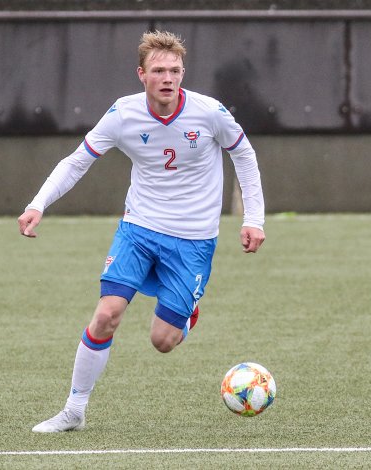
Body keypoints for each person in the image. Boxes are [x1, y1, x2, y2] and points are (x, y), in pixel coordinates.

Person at [18, 30, 265, 433]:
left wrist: (254, 217)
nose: (168, 78)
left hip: (193, 240)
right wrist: (37, 203)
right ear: (142, 74)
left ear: (183, 73)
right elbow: (77, 161)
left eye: (175, 70)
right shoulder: (122, 114)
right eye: (159, 71)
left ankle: (187, 314)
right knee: (107, 314)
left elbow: (244, 154)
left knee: (163, 341)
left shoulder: (209, 112)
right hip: (139, 229)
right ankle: (74, 410)